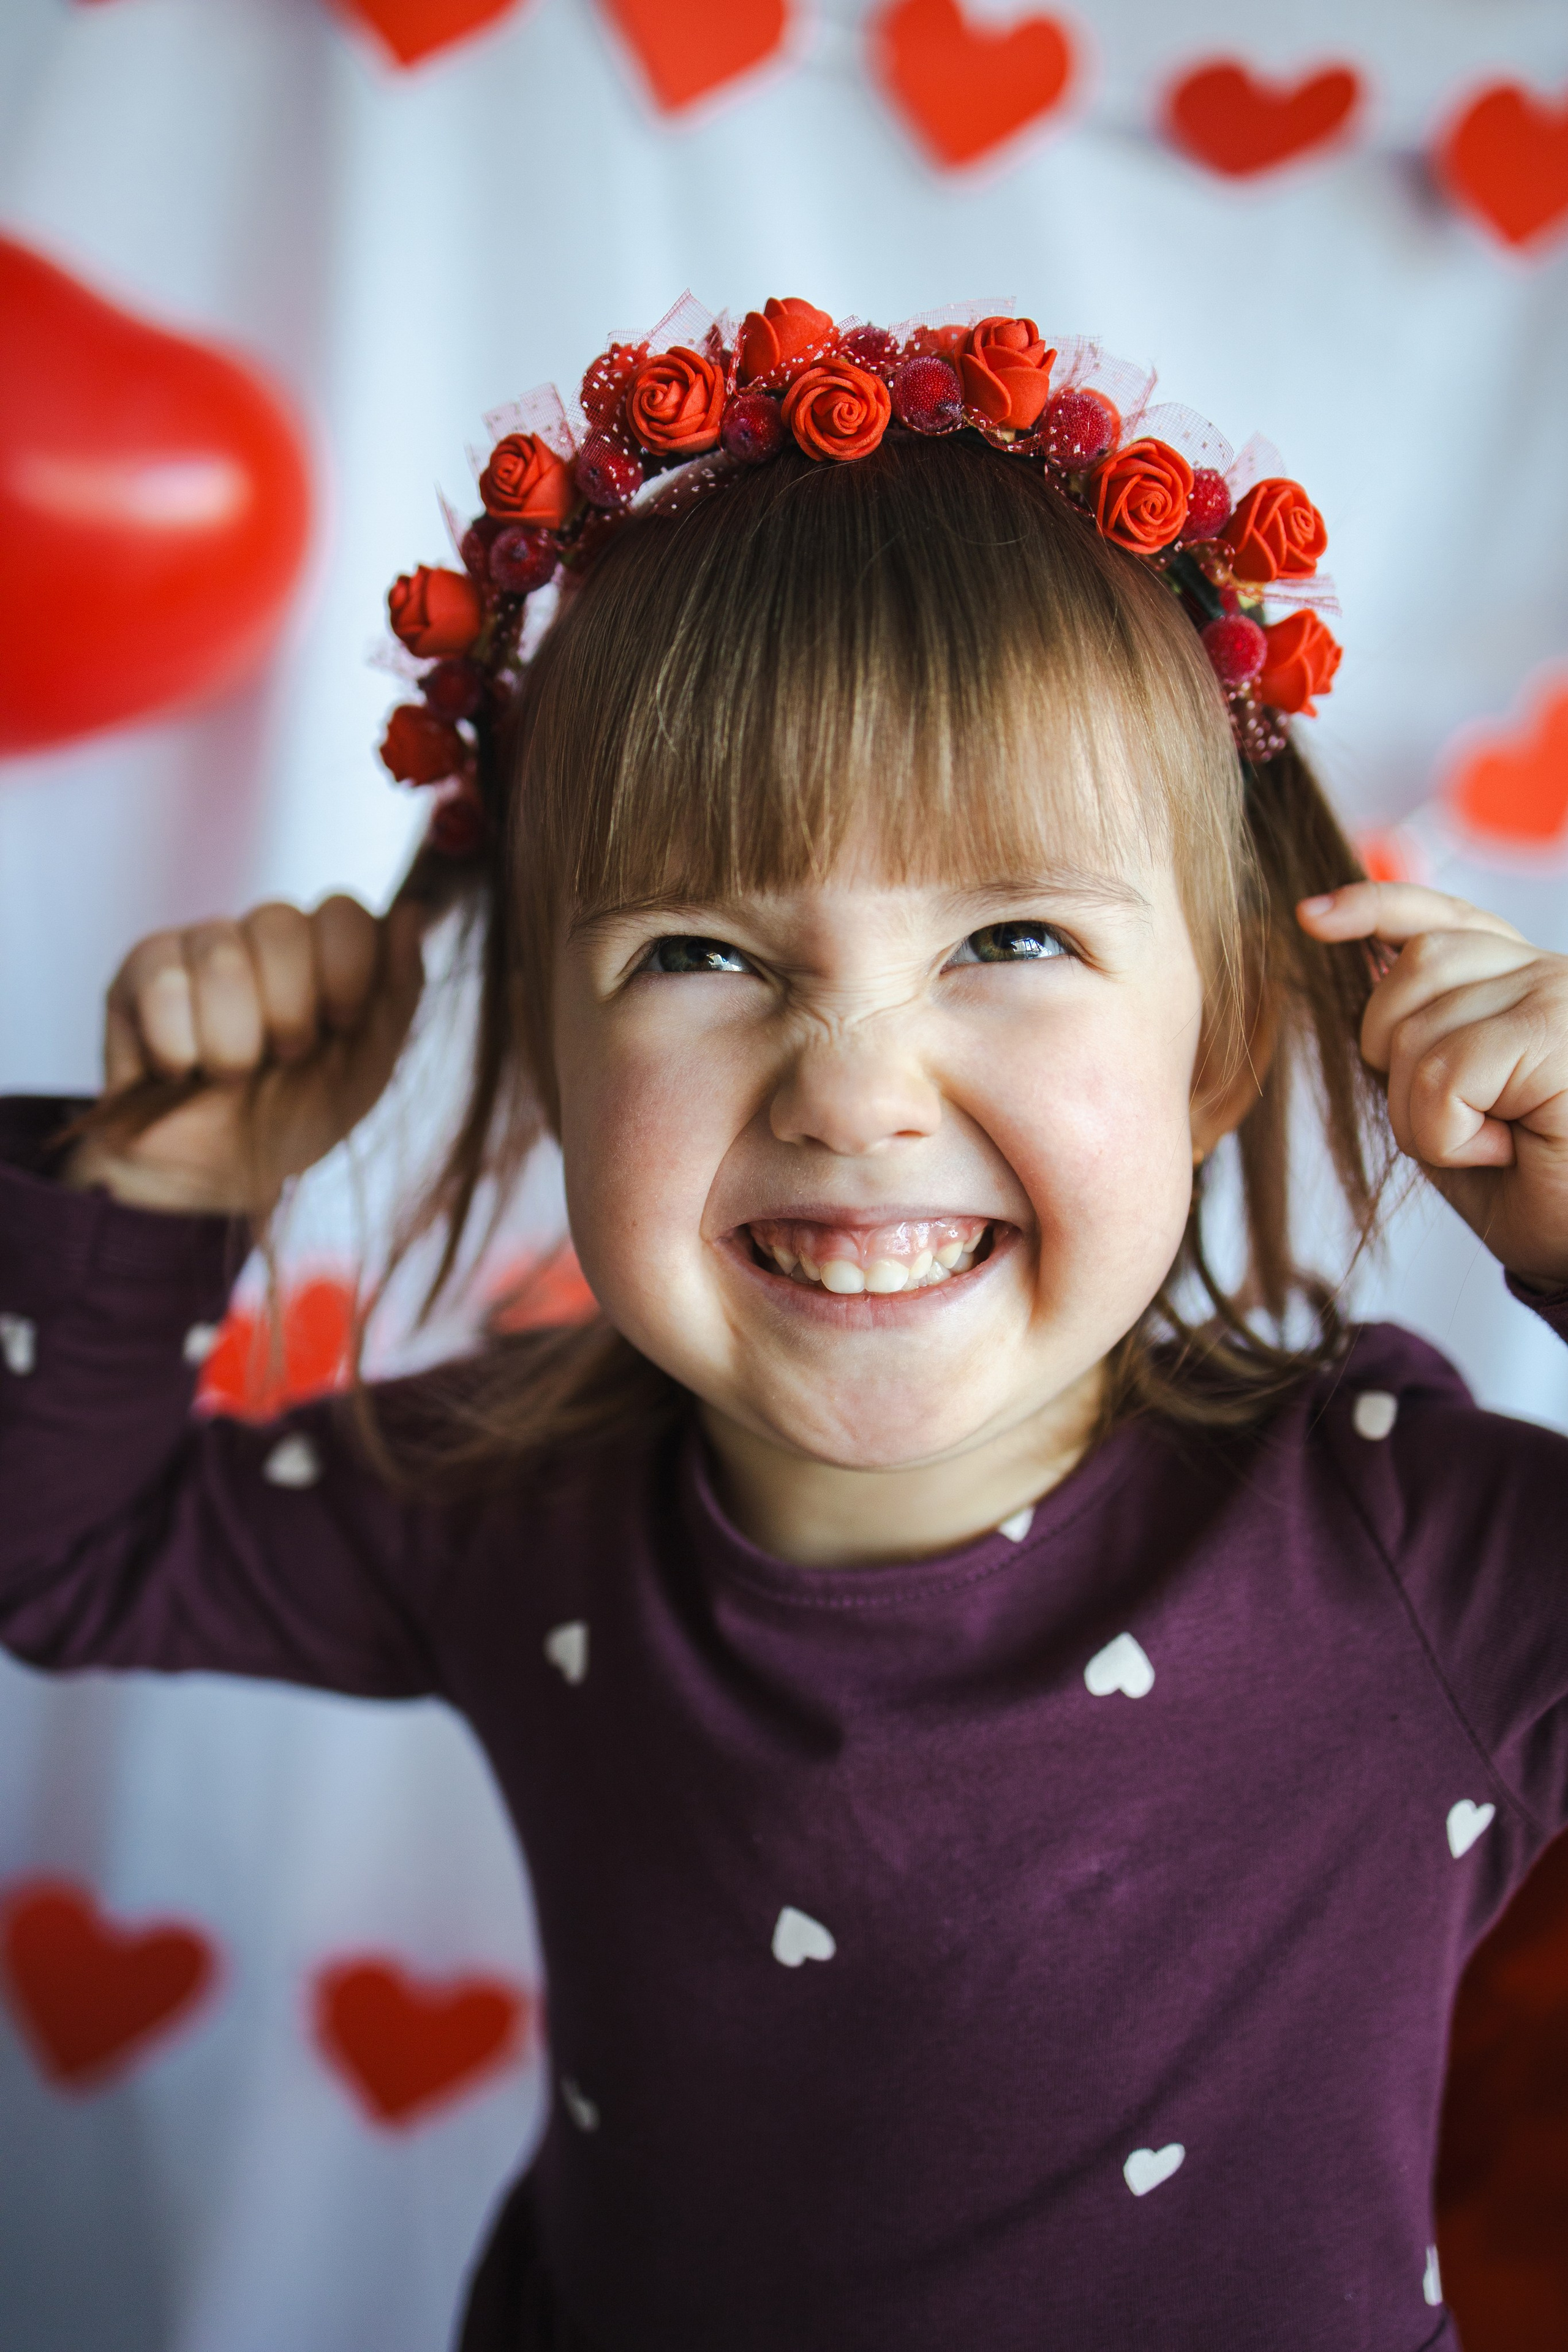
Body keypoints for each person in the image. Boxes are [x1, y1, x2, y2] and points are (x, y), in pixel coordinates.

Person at [2, 298, 1566, 2352]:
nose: (854, 1087)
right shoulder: (521, 1501)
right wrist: (178, 1184)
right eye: (700, 950)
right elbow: (65, 1554)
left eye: (1013, 936)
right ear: (557, 1070)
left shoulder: (1415, 1555)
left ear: (1221, 1052)